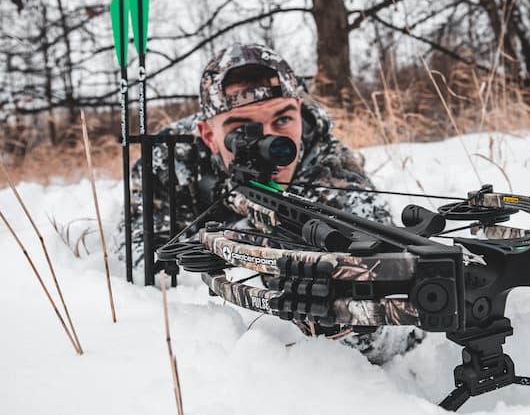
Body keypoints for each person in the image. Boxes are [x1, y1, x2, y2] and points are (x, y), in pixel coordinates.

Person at [118, 43, 424, 364]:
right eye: (241, 130)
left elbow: (405, 326)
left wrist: (341, 313)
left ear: (300, 114)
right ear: (208, 135)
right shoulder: (169, 159)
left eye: (282, 121)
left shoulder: (334, 172)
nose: (270, 144)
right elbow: (143, 266)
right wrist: (241, 249)